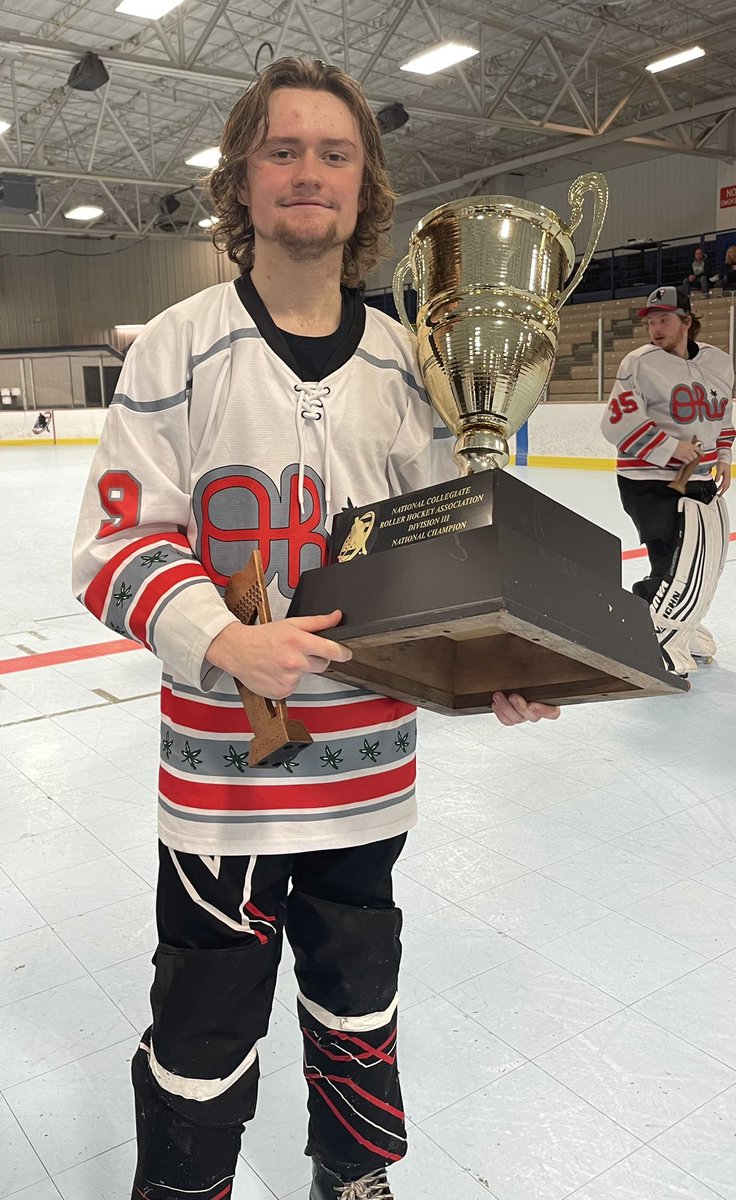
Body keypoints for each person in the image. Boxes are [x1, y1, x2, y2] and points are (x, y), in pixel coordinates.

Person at [72, 58, 560, 1200]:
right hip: (225, 786)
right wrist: (219, 635)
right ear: (239, 183)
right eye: (281, 150)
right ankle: (185, 1185)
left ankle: (352, 1170)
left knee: (360, 993)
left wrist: (500, 657)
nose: (308, 171)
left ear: (363, 185)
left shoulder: (408, 360)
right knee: (202, 1021)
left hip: (366, 775)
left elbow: (439, 552)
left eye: (333, 153)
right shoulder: (176, 346)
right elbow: (112, 545)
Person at [601, 285, 733, 672]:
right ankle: (653, 626)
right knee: (674, 559)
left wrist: (723, 456)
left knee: (705, 561)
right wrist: (669, 448)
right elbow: (615, 423)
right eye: (652, 321)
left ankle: (679, 624)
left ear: (687, 321)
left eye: (664, 319)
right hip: (646, 481)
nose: (655, 328)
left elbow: (721, 416)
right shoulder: (639, 363)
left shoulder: (719, 362)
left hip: (700, 477)